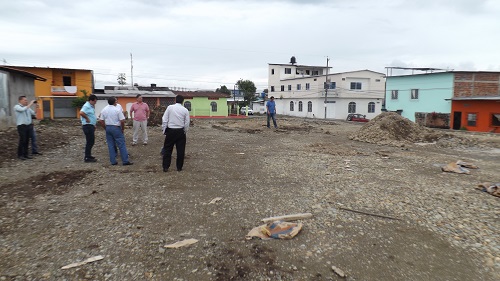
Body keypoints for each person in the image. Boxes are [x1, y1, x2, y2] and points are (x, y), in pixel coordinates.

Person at [99, 97, 133, 166]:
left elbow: (100, 120)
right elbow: (122, 120)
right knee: (121, 144)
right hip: (116, 127)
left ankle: (113, 161)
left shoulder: (104, 109)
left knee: (110, 145)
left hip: (108, 127)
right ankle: (125, 161)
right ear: (114, 102)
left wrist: (105, 127)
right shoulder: (117, 110)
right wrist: (122, 128)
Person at [162, 95, 190, 172]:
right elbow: (187, 122)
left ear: (175, 100)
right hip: (180, 131)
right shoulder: (185, 110)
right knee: (180, 150)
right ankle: (179, 167)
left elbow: (164, 119)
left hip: (170, 130)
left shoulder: (170, 108)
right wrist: (185, 131)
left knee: (167, 149)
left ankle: (165, 167)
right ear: (182, 101)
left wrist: (164, 130)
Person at [14, 96, 36, 160]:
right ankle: (20, 154)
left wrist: (36, 107)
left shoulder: (27, 108)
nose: (26, 101)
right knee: (22, 140)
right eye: (25, 100)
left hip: (28, 126)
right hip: (22, 126)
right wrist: (30, 104)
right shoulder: (17, 107)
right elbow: (22, 110)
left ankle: (26, 154)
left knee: (27, 140)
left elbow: (34, 113)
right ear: (20, 100)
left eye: (26, 100)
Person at [80, 94, 98, 163]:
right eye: (94, 101)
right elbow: (81, 113)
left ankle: (88, 155)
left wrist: (94, 124)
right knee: (90, 141)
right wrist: (87, 118)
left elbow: (91, 115)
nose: (95, 103)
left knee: (91, 141)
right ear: (91, 100)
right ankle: (87, 157)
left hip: (91, 125)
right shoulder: (86, 106)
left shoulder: (91, 106)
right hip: (87, 126)